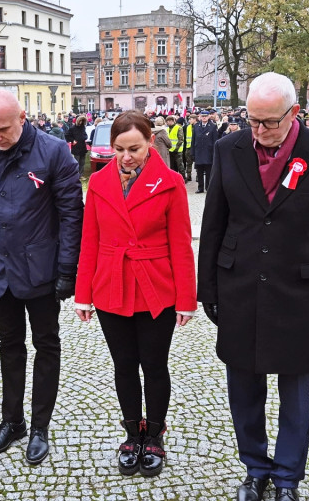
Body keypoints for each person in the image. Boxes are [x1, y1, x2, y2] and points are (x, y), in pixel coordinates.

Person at [198, 73, 309, 501]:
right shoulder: (227, 148)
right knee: (243, 390)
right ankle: (254, 467)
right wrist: (207, 288)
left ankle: (287, 478)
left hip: (299, 292)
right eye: (253, 122)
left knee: (295, 394)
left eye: (269, 122)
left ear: (294, 113)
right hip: (239, 285)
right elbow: (214, 223)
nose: (260, 132)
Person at [0, 90, 83, 465]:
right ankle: (12, 420)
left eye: (4, 129)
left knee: (46, 343)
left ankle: (40, 426)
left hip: (40, 267)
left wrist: (67, 268)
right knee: (9, 343)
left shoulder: (54, 152)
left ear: (23, 117)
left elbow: (72, 213)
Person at [73, 111, 195, 477]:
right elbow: (89, 240)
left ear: (150, 143)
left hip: (157, 285)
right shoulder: (98, 183)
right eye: (119, 149)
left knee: (154, 365)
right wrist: (83, 294)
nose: (126, 157)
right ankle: (131, 433)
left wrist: (187, 298)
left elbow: (181, 244)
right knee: (124, 366)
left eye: (134, 149)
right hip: (111, 284)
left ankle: (154, 434)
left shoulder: (171, 183)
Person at [191, 111, 219, 193]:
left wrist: (215, 153)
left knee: (208, 172)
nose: (204, 117)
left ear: (208, 117)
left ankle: (208, 187)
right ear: (200, 117)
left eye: (205, 116)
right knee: (199, 171)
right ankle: (200, 188)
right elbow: (193, 140)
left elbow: (215, 140)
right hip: (198, 152)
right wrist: (192, 152)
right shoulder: (196, 126)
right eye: (202, 116)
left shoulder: (213, 127)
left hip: (208, 152)